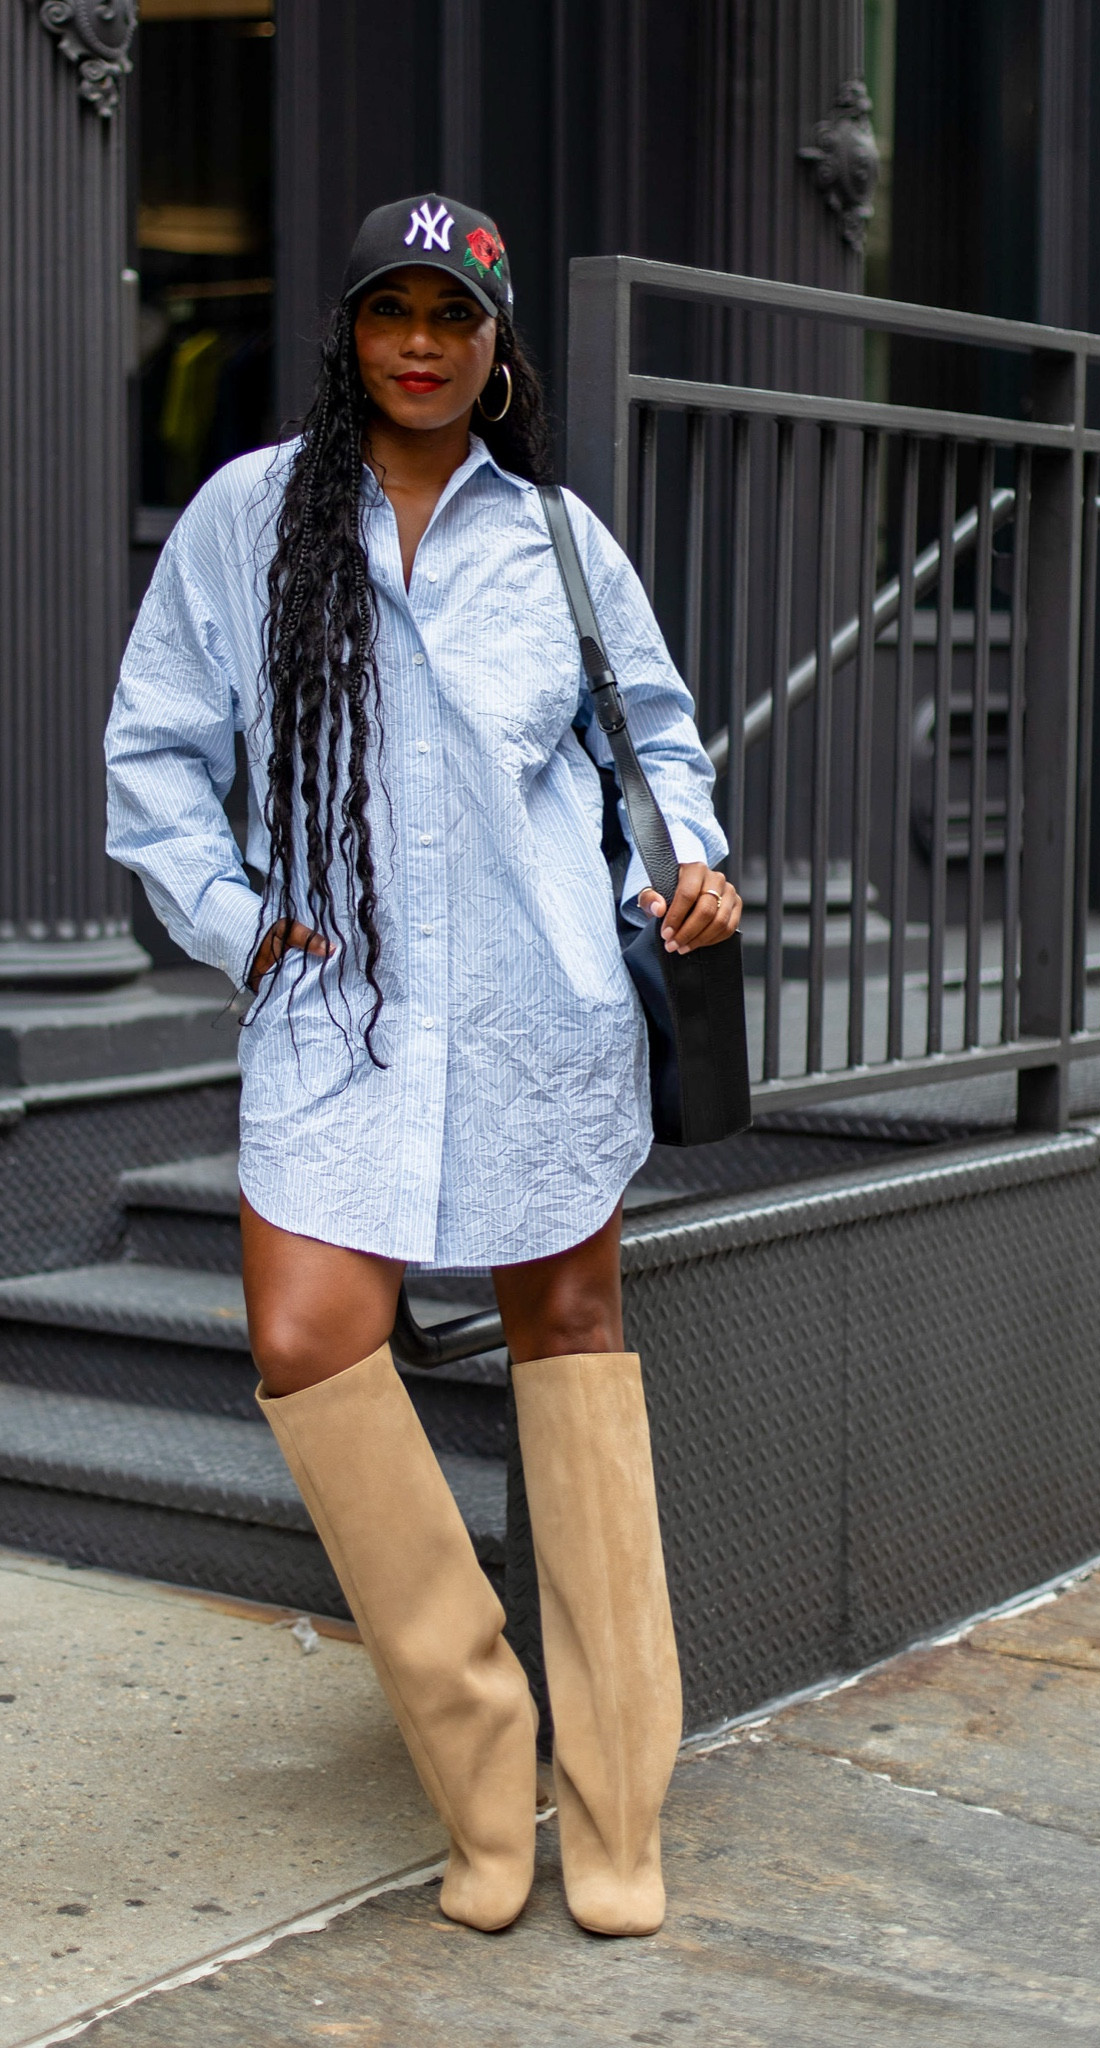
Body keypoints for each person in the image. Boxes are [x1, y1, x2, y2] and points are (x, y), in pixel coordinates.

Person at [105, 194, 741, 1937]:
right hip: (340, 1000)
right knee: (310, 1341)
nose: (418, 340)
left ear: (495, 344)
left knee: (571, 1341)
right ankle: (481, 1763)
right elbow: (156, 750)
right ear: (347, 331)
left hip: (540, 1002)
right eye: (390, 308)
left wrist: (678, 863)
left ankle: (616, 1810)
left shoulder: (550, 537)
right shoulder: (252, 517)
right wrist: (238, 921)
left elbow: (651, 735)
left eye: (450, 316)